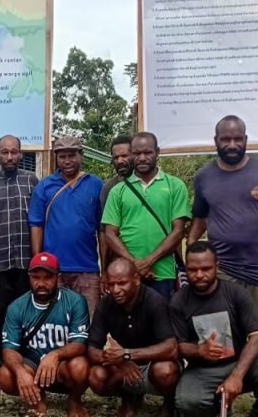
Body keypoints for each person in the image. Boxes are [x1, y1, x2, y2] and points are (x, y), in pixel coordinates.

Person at [187, 115, 258, 341]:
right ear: (216, 141)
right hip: (222, 271)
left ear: (246, 139)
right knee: (224, 338)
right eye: (226, 139)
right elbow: (199, 219)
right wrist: (190, 248)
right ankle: (228, 377)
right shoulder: (204, 177)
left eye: (238, 139)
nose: (232, 145)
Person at [171, 242, 258, 417]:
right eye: (192, 269)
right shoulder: (178, 301)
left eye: (205, 268)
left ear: (217, 265)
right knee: (185, 399)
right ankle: (215, 413)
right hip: (204, 369)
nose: (199, 275)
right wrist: (199, 350)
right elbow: (178, 346)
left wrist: (237, 375)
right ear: (185, 269)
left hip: (240, 363)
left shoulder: (235, 293)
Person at [87, 258, 179, 417]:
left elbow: (171, 348)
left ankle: (169, 405)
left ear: (136, 279)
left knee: (166, 371)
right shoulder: (106, 303)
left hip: (152, 364)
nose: (115, 290)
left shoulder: (155, 301)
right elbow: (92, 350)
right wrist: (120, 362)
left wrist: (127, 354)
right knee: (96, 376)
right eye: (111, 284)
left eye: (122, 283)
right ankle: (129, 397)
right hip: (123, 365)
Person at [0, 252, 91, 417]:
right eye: (36, 277)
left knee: (80, 366)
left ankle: (74, 400)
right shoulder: (17, 307)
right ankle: (36, 397)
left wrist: (55, 355)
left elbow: (80, 344)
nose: (41, 283)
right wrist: (20, 372)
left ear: (58, 277)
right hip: (32, 365)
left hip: (62, 365)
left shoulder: (75, 301)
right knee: (5, 375)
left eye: (47, 278)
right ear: (29, 277)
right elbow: (9, 349)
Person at [102, 132, 189, 300]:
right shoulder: (117, 191)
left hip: (163, 274)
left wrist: (147, 261)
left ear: (157, 152)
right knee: (128, 325)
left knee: (162, 323)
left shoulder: (175, 186)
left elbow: (178, 231)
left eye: (147, 152)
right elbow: (110, 233)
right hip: (126, 276)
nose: (142, 158)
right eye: (137, 153)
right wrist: (135, 265)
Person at [0, 135, 38, 362]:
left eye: (14, 152)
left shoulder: (32, 181)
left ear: (21, 154)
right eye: (5, 152)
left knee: (26, 311)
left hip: (26, 260)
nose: (10, 156)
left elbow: (39, 221)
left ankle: (25, 357)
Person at [28, 135, 104, 316]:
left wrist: (104, 266)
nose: (67, 161)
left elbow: (102, 229)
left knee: (89, 321)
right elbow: (36, 226)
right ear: (56, 157)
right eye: (62, 156)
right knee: (55, 322)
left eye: (72, 155)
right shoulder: (44, 186)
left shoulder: (95, 184)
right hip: (54, 270)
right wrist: (38, 263)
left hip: (87, 268)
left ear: (81, 155)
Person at [100, 135, 135, 211]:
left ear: (135, 155)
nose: (120, 161)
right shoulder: (109, 188)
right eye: (116, 157)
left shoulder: (148, 183)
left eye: (124, 155)